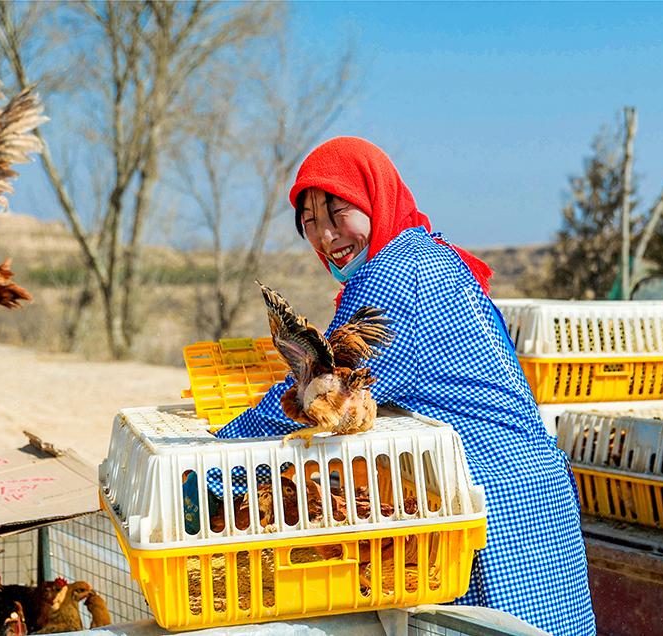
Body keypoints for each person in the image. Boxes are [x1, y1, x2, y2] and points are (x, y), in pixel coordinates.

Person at [213, 136, 596, 636]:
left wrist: (218, 466)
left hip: (497, 509)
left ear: (376, 197)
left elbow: (321, 392)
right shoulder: (421, 252)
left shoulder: (394, 275)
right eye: (310, 223)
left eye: (337, 213)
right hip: (525, 490)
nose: (326, 236)